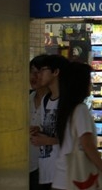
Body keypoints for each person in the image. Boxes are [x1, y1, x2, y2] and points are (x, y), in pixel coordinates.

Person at [53, 61, 102, 190]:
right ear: (80, 84)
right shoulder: (81, 110)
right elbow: (87, 145)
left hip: (62, 177)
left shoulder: (65, 110)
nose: (91, 85)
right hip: (77, 177)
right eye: (89, 81)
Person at [31, 54, 69, 190]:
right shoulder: (46, 100)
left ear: (56, 72)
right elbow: (50, 131)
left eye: (42, 70)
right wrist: (39, 132)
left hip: (62, 172)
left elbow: (73, 137)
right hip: (45, 170)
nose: (38, 75)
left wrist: (48, 141)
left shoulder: (68, 102)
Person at [29, 54, 50, 190]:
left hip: (45, 168)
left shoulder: (54, 102)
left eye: (38, 72)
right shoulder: (25, 99)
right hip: (25, 166)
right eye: (32, 72)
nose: (34, 77)